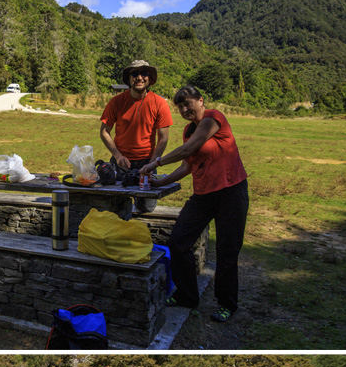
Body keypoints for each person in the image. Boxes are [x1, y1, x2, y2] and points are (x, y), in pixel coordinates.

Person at [139, 86, 250, 323]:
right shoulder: (188, 131)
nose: (185, 109)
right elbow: (187, 166)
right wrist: (160, 183)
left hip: (231, 192)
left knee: (227, 251)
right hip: (204, 196)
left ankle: (226, 304)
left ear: (202, 100)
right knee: (179, 241)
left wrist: (155, 163)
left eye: (188, 103)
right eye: (180, 106)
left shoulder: (214, 118)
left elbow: (189, 150)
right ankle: (187, 296)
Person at [100, 59, 173, 214]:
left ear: (149, 78)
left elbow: (163, 138)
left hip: (148, 161)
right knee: (116, 207)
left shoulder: (159, 103)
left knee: (146, 208)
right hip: (121, 163)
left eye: (144, 73)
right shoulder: (116, 102)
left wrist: (153, 164)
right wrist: (118, 156)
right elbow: (104, 131)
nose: (139, 77)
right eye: (135, 73)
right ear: (129, 78)